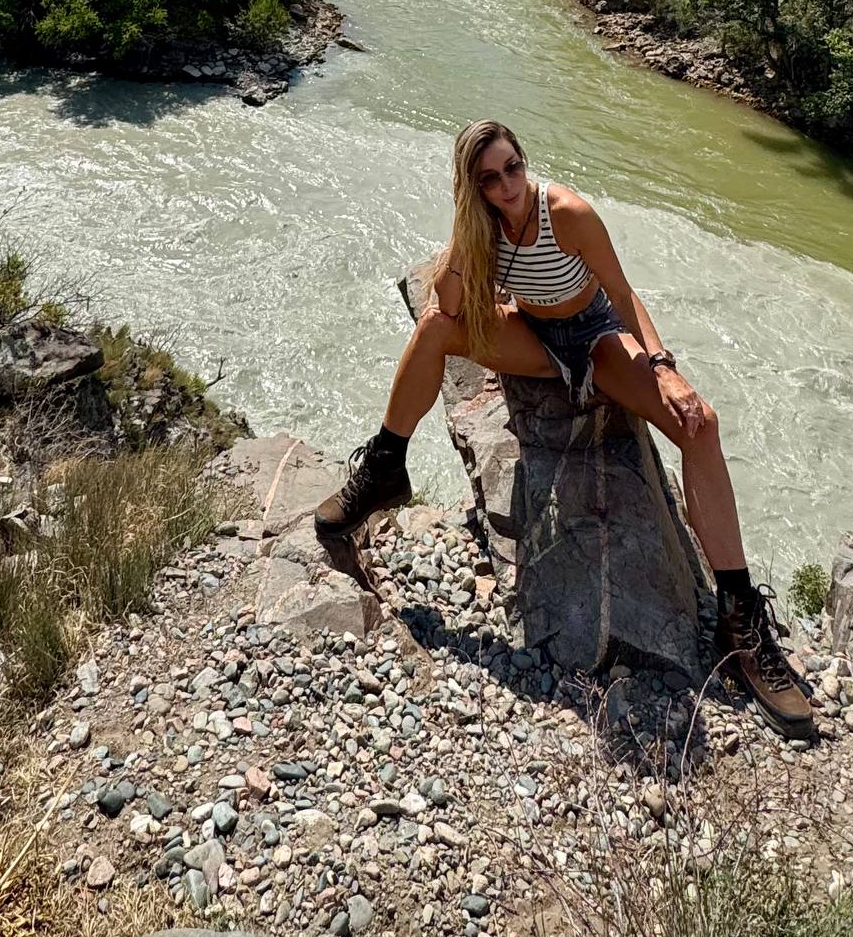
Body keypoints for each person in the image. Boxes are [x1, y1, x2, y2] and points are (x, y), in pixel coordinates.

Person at [314, 116, 815, 743]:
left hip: (596, 336)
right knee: (434, 332)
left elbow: (625, 295)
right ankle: (385, 468)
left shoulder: (566, 212)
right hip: (532, 338)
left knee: (700, 423)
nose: (507, 187)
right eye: (489, 180)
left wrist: (664, 370)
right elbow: (445, 305)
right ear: (472, 188)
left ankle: (740, 620)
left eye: (512, 169)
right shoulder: (484, 227)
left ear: (526, 161)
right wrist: (467, 230)